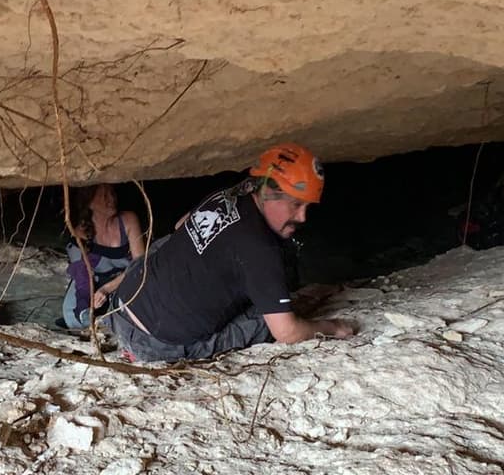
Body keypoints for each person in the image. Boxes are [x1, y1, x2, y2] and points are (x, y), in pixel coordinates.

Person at [108, 143, 353, 362]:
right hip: (155, 345)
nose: (302, 217)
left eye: (307, 206)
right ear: (267, 191)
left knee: (172, 241)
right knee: (266, 317)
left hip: (122, 303)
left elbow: (181, 223)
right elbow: (287, 332)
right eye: (296, 204)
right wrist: (332, 327)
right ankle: (139, 350)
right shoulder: (261, 250)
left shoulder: (224, 196)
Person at [57, 184, 146, 329]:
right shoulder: (80, 231)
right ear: (89, 202)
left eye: (112, 193)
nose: (111, 199)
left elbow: (140, 266)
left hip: (125, 277)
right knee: (74, 317)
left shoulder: (128, 220)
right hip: (94, 279)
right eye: (104, 196)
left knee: (134, 312)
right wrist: (85, 304)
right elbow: (82, 275)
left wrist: (107, 289)